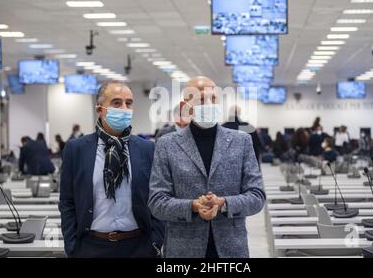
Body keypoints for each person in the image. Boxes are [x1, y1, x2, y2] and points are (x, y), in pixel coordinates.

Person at [148, 76, 265, 258]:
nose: (209, 104)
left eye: (214, 98)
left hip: (231, 249)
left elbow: (257, 196)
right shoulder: (166, 144)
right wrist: (193, 206)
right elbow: (157, 202)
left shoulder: (241, 141)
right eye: (201, 99)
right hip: (183, 250)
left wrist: (224, 204)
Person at [59, 81, 164, 258]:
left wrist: (155, 243)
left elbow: (158, 197)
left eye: (128, 103)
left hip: (139, 247)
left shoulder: (147, 149)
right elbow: (67, 203)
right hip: (91, 247)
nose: (124, 108)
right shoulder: (76, 150)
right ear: (99, 109)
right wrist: (73, 247)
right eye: (116, 103)